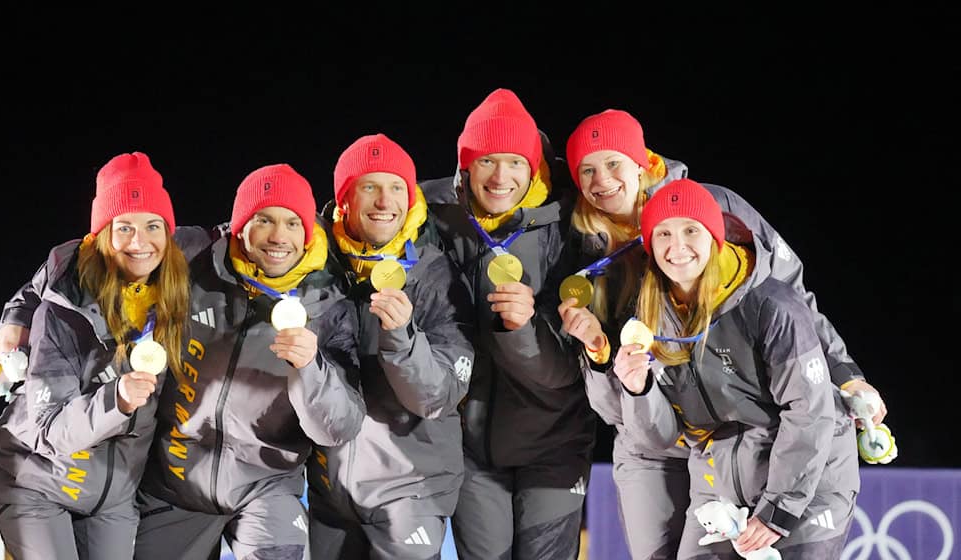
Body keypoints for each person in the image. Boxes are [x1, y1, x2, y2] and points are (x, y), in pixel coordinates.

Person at [556, 108, 885, 559]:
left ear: (641, 161)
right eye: (587, 170)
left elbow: (791, 304)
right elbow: (614, 374)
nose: (601, 180)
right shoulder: (585, 246)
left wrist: (844, 373)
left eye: (613, 162)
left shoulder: (715, 208)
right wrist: (605, 362)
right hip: (664, 429)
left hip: (742, 425)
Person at [613, 178, 859, 558]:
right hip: (719, 481)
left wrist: (777, 511)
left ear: (715, 237)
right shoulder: (650, 317)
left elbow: (809, 412)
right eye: (663, 233)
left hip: (808, 482)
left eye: (691, 230)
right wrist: (638, 390)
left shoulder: (771, 306)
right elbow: (658, 436)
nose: (677, 246)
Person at [130, 162, 366, 560]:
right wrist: (18, 316)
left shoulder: (330, 304)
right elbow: (92, 254)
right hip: (176, 485)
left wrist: (311, 370)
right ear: (240, 225)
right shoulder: (193, 257)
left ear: (308, 234)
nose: (279, 236)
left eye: (293, 223)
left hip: (267, 487)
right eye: (264, 219)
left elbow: (341, 426)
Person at [0, 151, 191, 560]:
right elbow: (48, 431)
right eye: (124, 227)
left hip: (112, 498)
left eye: (153, 226)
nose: (140, 242)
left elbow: (245, 233)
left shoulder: (176, 291)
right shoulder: (62, 311)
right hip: (37, 481)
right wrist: (116, 400)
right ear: (100, 236)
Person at [422, 88, 593, 560]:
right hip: (470, 448)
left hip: (553, 443)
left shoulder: (569, 227)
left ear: (535, 168)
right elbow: (363, 212)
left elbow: (570, 370)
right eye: (487, 161)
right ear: (465, 166)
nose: (501, 177)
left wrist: (523, 330)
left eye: (516, 162)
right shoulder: (432, 216)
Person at [307, 133, 474, 558]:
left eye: (396, 187)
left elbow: (438, 396)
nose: (385, 201)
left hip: (411, 488)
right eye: (370, 187)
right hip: (328, 491)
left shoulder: (437, 276)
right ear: (343, 199)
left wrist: (401, 339)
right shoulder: (313, 265)